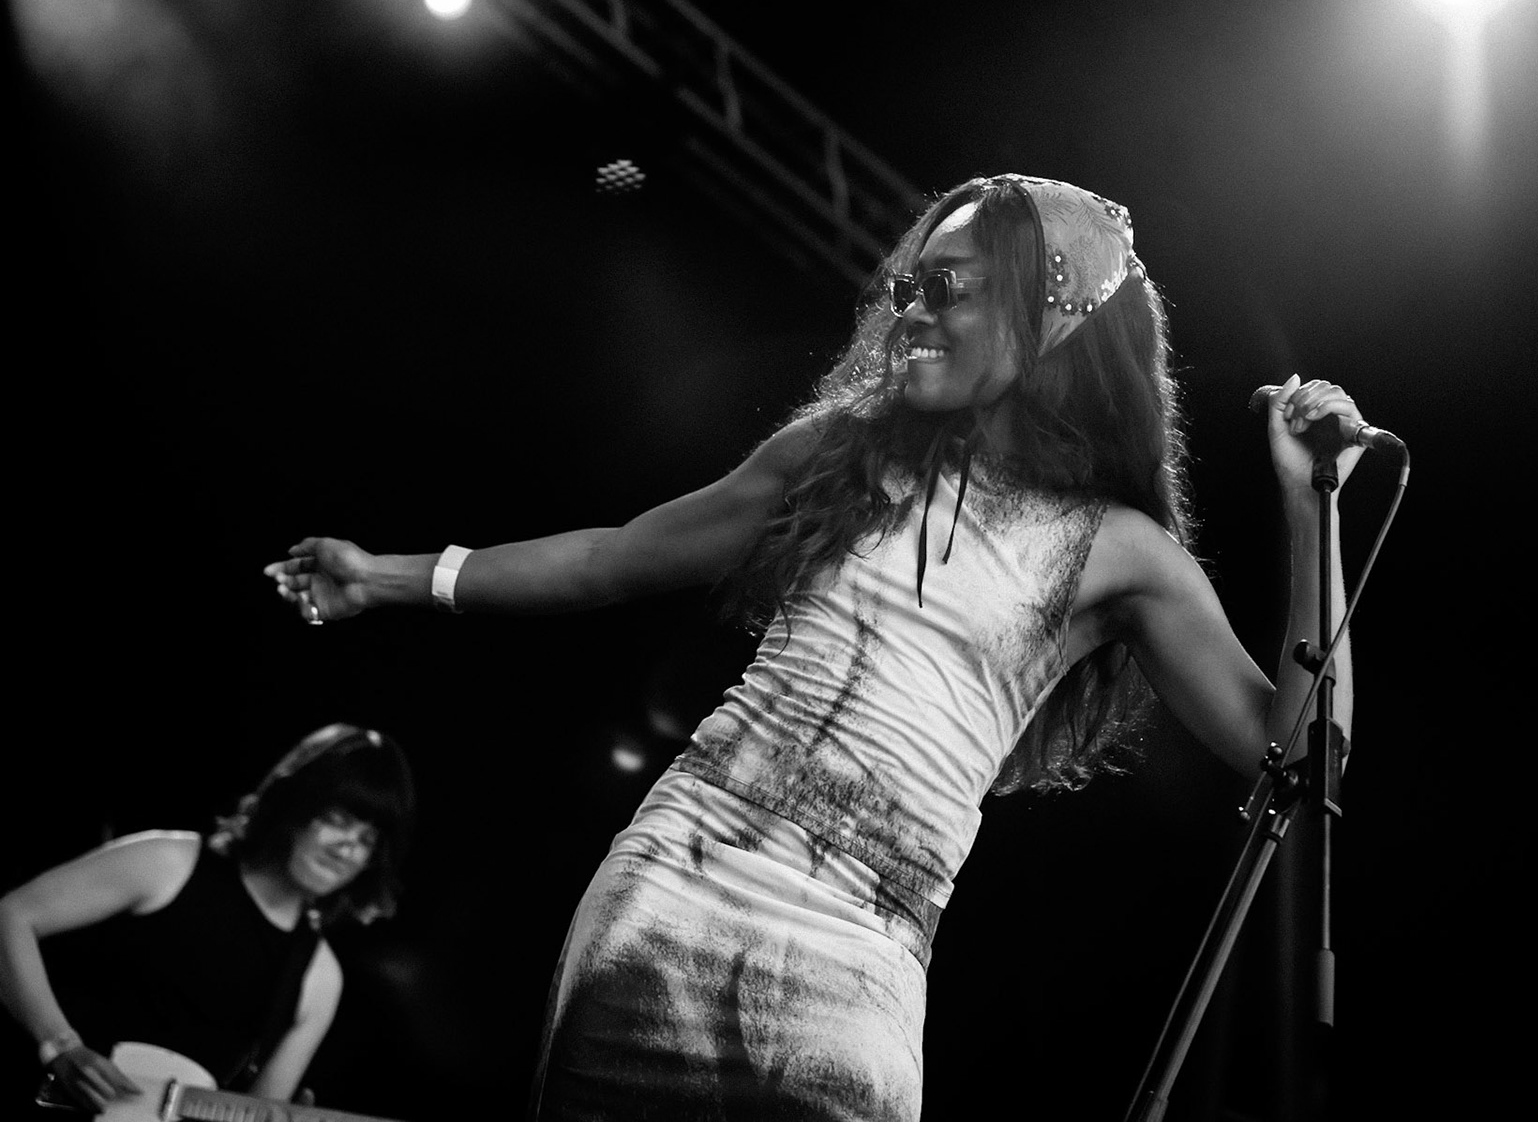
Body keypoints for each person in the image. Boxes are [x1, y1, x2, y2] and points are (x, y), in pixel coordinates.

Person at [262, 174, 1365, 1121]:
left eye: (947, 287)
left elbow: (1304, 752)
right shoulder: (841, 450)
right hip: (684, 868)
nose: (909, 312)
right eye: (907, 285)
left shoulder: (1116, 552)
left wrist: (1312, 507)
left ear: (1050, 314)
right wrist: (387, 574)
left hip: (868, 939)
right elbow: (614, 556)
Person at [0, 723, 415, 1114]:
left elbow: (257, 1111)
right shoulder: (169, 863)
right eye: (337, 821)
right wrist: (59, 1047)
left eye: (366, 840)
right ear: (294, 804)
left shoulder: (320, 977)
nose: (347, 850)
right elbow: (11, 917)